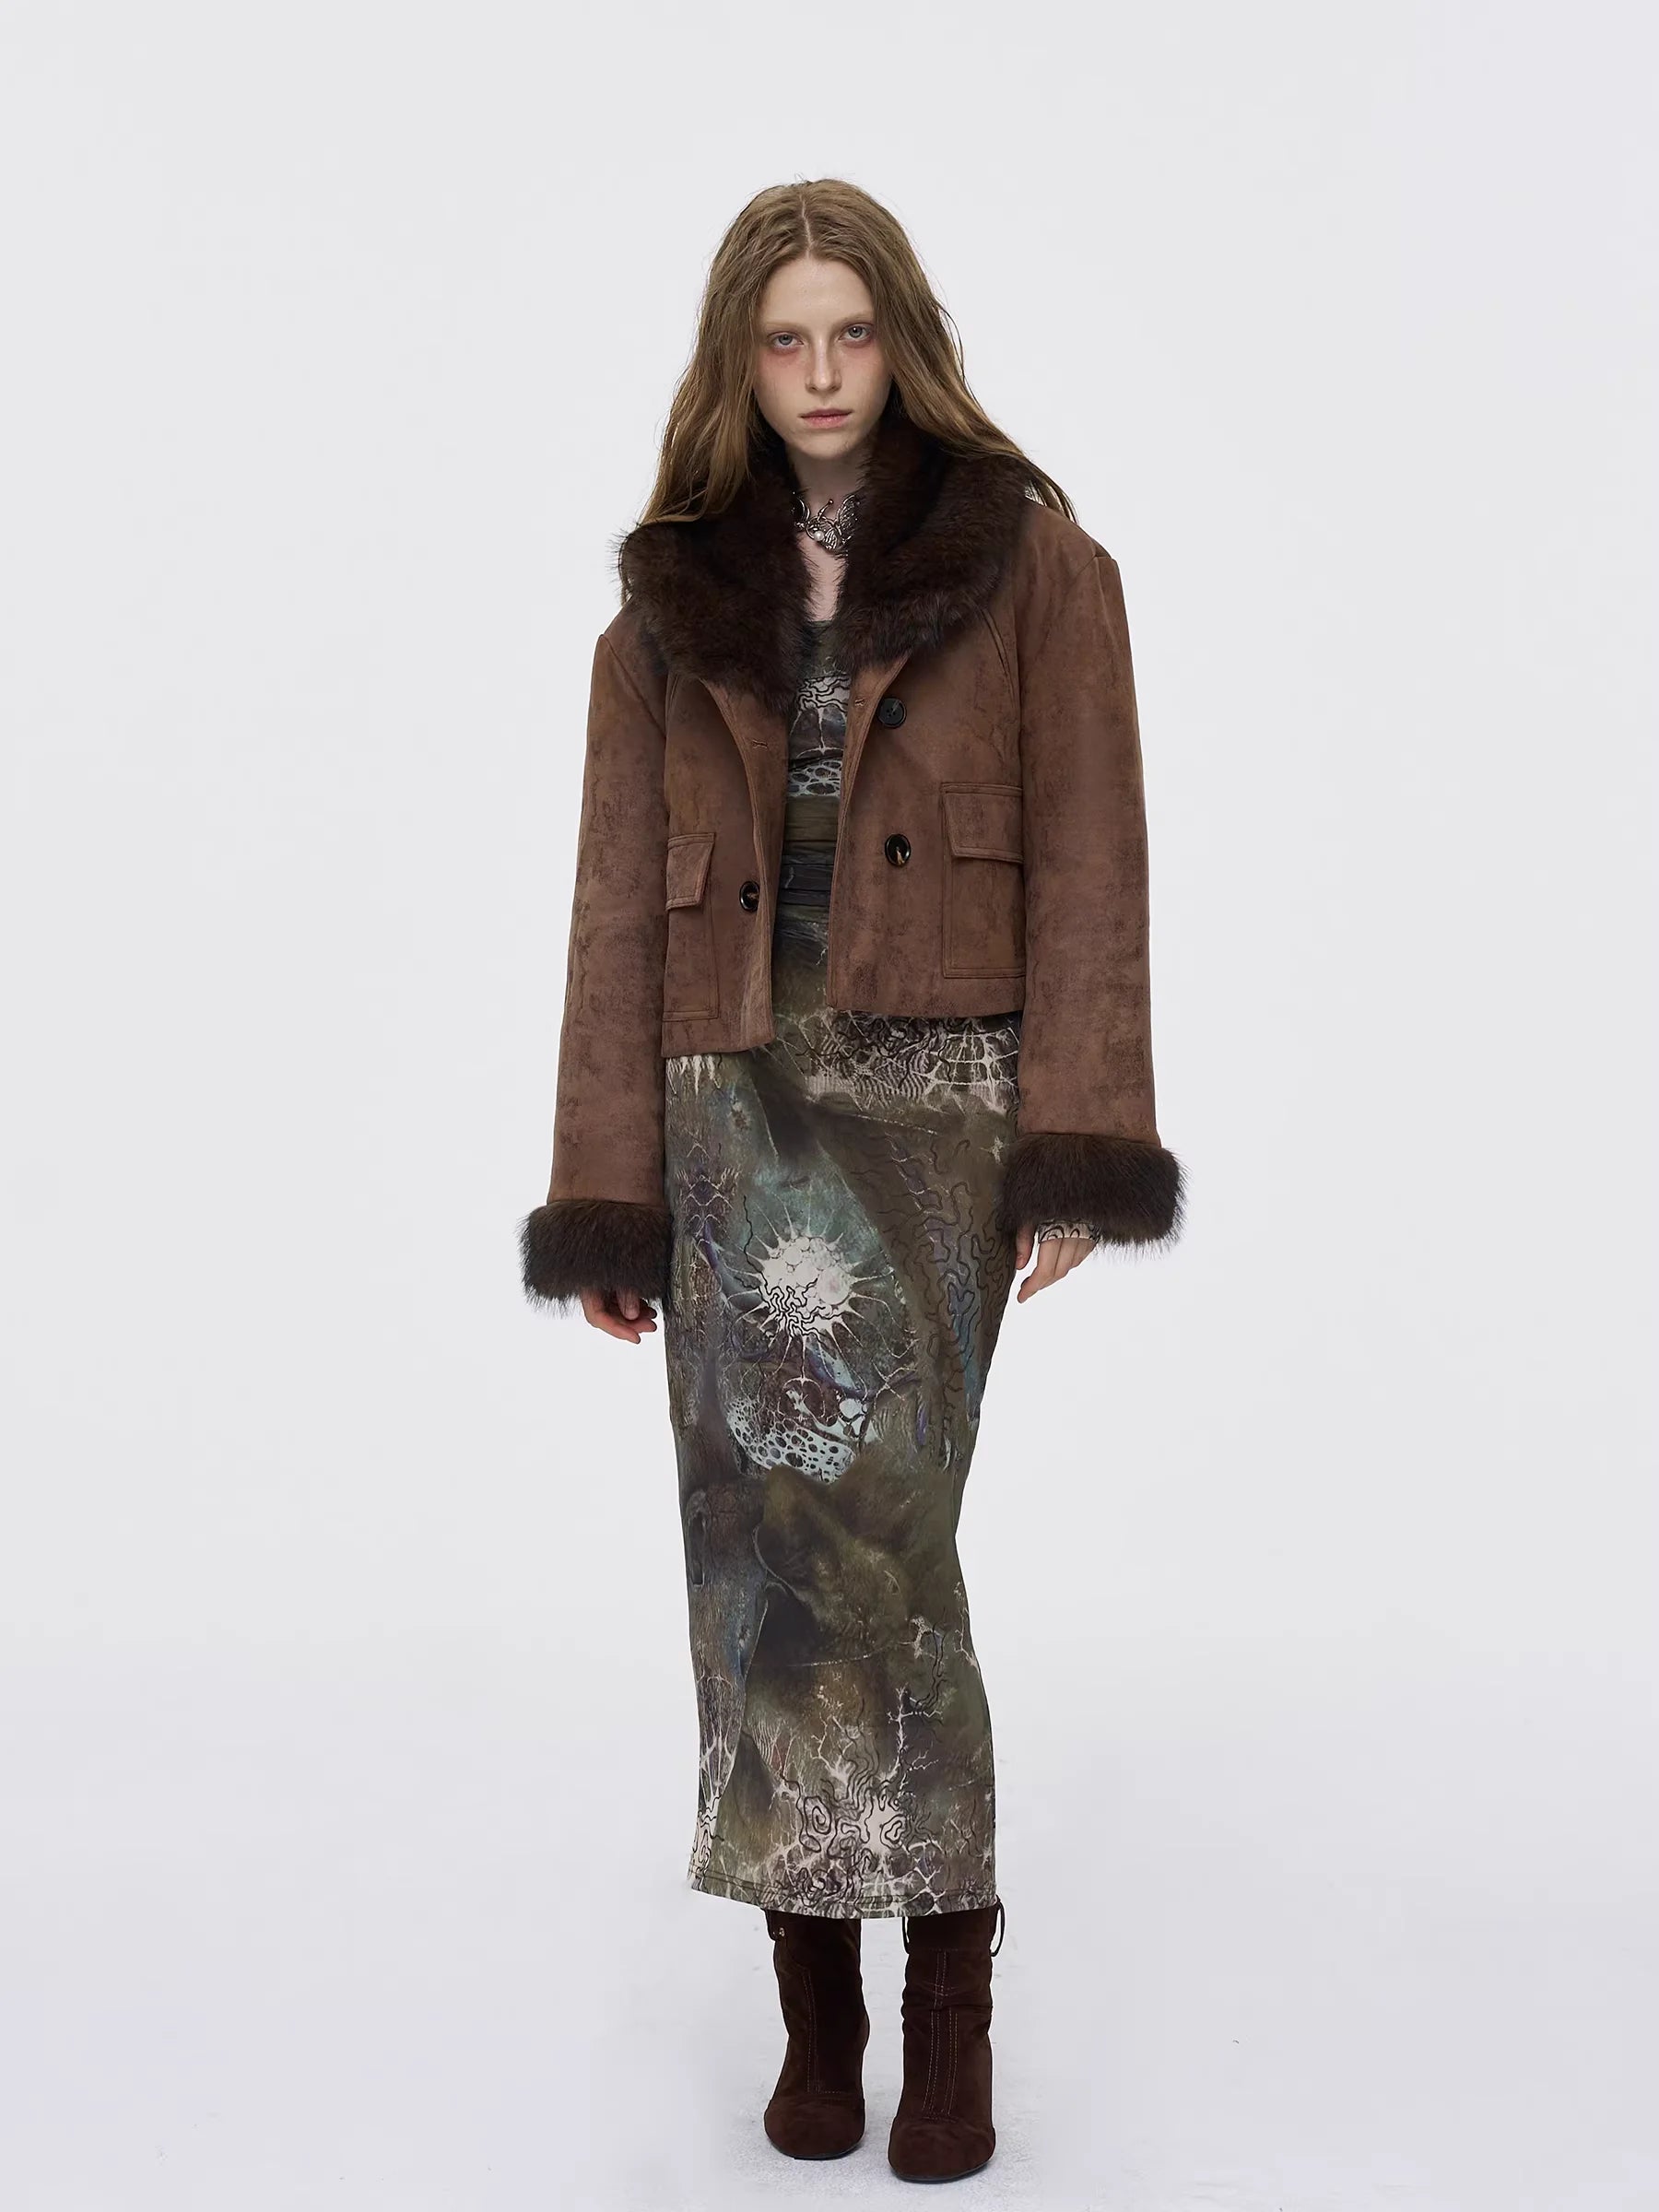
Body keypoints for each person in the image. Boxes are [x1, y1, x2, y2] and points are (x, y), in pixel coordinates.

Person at [520, 177, 1183, 2184]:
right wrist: (608, 1186)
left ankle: (949, 2000)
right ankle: (819, 2009)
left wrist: (1079, 1139)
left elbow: (1097, 862)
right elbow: (610, 915)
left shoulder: (1035, 563)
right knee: (754, 1558)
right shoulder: (662, 604)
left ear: (906, 339)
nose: (821, 375)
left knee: (882, 1548)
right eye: (784, 339)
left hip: (937, 1101)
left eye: (852, 332)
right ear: (739, 361)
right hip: (725, 1106)